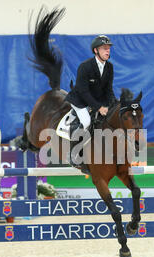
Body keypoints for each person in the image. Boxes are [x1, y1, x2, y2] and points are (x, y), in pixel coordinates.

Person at [65, 35, 116, 166]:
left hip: (95, 100)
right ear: (95, 51)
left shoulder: (109, 67)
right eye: (104, 48)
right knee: (87, 121)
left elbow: (108, 89)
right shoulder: (85, 67)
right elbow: (83, 92)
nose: (108, 51)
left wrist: (114, 105)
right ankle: (73, 153)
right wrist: (99, 107)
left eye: (109, 48)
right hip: (80, 100)